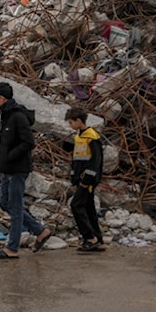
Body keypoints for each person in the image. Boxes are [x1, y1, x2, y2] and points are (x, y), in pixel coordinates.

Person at [0, 81, 51, 260]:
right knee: (4, 203)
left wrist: (10, 157)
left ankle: (12, 248)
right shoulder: (7, 116)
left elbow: (28, 142)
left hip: (17, 169)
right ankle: (40, 231)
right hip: (8, 169)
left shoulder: (18, 117)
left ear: (2, 98)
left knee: (15, 207)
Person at [63, 106, 106, 253]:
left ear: (79, 121)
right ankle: (98, 239)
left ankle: (89, 237)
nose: (70, 125)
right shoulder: (79, 137)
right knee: (89, 209)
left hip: (88, 181)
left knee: (76, 206)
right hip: (81, 179)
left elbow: (95, 162)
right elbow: (77, 159)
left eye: (71, 122)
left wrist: (87, 180)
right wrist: (74, 178)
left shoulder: (92, 137)